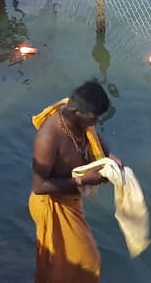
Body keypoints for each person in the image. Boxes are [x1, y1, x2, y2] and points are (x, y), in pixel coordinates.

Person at [29, 80, 113, 283]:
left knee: (58, 267)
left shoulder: (80, 122)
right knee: (85, 263)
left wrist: (113, 162)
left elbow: (99, 146)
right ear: (76, 111)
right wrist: (83, 180)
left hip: (71, 203)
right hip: (53, 204)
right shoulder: (49, 136)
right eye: (93, 119)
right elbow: (39, 186)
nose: (95, 124)